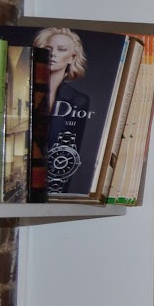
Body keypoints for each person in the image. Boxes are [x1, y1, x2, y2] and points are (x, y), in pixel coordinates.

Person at [33, 27, 92, 194]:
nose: (53, 54)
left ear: (72, 57)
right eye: (48, 49)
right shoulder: (19, 88)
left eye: (62, 49)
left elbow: (72, 151)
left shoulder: (79, 101)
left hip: (54, 185)